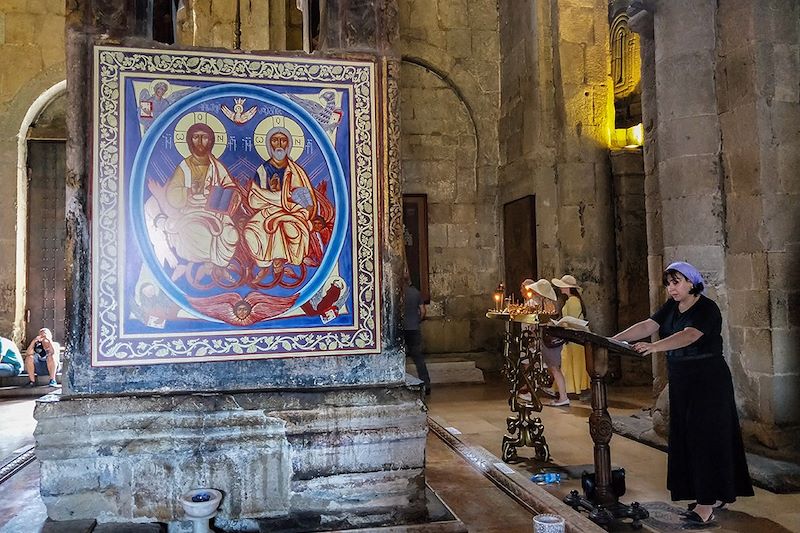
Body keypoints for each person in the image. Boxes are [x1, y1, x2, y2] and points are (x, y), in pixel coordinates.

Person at [611, 262, 753, 524]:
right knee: (687, 438)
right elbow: (647, 325)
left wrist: (655, 348)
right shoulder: (671, 307)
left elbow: (689, 336)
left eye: (676, 282)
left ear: (691, 282)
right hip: (682, 380)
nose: (671, 288)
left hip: (708, 381)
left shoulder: (707, 308)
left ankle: (706, 503)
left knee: (705, 438)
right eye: (669, 283)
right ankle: (707, 494)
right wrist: (615, 339)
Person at [243, 127, 317, 275]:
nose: (279, 144)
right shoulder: (263, 170)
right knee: (249, 231)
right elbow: (254, 200)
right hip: (267, 211)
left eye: (283, 140)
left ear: (288, 144)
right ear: (270, 145)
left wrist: (280, 196)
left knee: (290, 227)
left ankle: (284, 259)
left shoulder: (296, 171)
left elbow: (305, 202)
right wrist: (276, 195)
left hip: (292, 212)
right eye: (275, 140)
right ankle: (264, 263)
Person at [523, 278, 569, 407]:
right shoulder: (546, 302)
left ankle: (563, 397)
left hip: (550, 339)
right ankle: (561, 396)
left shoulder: (549, 303)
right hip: (547, 338)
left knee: (554, 368)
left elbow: (547, 320)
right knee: (552, 368)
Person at [551, 274, 590, 398]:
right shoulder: (572, 300)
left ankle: (570, 390)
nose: (561, 289)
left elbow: (571, 321)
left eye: (563, 286)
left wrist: (560, 324)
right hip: (573, 336)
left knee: (571, 361)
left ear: (568, 288)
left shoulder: (573, 301)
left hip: (574, 337)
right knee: (570, 361)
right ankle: (570, 389)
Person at [403, 275, 430, 395]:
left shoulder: (398, 294)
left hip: (401, 329)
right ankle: (426, 383)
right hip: (414, 328)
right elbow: (423, 311)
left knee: (399, 357)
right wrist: (417, 320)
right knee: (418, 358)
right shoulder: (416, 293)